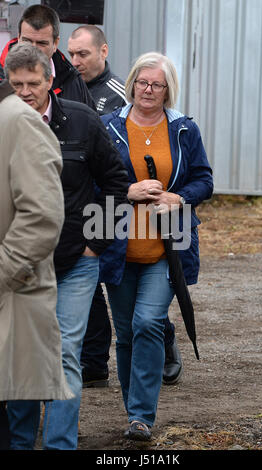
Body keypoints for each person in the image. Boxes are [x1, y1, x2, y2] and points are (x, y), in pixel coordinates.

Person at [5, 43, 128, 450]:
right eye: (16, 83)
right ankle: (20, 443)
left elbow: (115, 181)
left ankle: (60, 445)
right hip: (21, 264)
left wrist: (98, 241)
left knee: (64, 355)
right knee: (22, 356)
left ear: (50, 81)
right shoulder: (5, 125)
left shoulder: (82, 121)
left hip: (76, 261)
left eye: (32, 84)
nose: (24, 92)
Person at [99, 52, 213, 440]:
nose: (148, 90)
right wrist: (126, 191)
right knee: (127, 331)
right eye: (142, 82)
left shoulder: (183, 129)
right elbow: (91, 183)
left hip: (171, 242)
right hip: (117, 242)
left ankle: (142, 417)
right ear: (131, 84)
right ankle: (134, 412)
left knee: (148, 322)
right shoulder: (106, 127)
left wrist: (180, 198)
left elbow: (204, 180)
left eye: (157, 84)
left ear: (168, 90)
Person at [68, 26, 183, 387]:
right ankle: (96, 365)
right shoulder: (63, 86)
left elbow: (199, 178)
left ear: (103, 51)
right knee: (104, 292)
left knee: (145, 314)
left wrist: (175, 197)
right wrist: (119, 193)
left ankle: (162, 336)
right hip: (106, 218)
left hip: (162, 228)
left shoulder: (123, 99)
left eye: (82, 54)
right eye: (71, 54)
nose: (76, 61)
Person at [0, 79, 73, 450]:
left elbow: (42, 215)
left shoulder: (20, 121)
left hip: (25, 285)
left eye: (34, 82)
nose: (27, 89)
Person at [0, 4, 95, 109]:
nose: (33, 49)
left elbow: (89, 122)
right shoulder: (2, 78)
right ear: (18, 38)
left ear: (55, 43)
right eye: (27, 41)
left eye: (41, 43)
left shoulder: (71, 79)